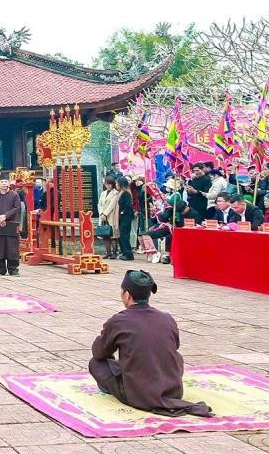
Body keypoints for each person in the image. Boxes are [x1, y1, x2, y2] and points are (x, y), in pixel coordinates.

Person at [90, 270, 213, 417]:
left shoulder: (119, 321)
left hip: (139, 395)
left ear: (127, 295)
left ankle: (116, 388)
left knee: (96, 363)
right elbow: (174, 347)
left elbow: (99, 352)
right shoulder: (167, 318)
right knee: (175, 357)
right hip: (173, 391)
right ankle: (163, 387)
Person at [0, 178, 23, 275]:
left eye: (6, 182)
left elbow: (17, 207)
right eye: (2, 182)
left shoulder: (14, 195)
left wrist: (5, 216)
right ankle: (0, 269)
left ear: (9, 184)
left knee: (12, 246)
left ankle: (13, 269)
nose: (4, 184)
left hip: (11, 223)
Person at [98, 176, 120, 259]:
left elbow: (112, 205)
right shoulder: (103, 193)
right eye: (107, 184)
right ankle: (108, 252)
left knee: (112, 234)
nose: (108, 186)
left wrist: (105, 214)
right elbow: (99, 204)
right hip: (102, 216)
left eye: (110, 184)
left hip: (111, 215)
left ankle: (114, 252)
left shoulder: (115, 193)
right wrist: (101, 213)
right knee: (105, 235)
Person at [116, 178, 135, 260]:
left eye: (117, 184)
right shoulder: (120, 193)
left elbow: (128, 205)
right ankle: (124, 252)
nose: (116, 185)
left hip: (126, 217)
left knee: (125, 235)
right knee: (121, 235)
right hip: (121, 218)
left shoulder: (126, 193)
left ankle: (129, 254)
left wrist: (123, 212)